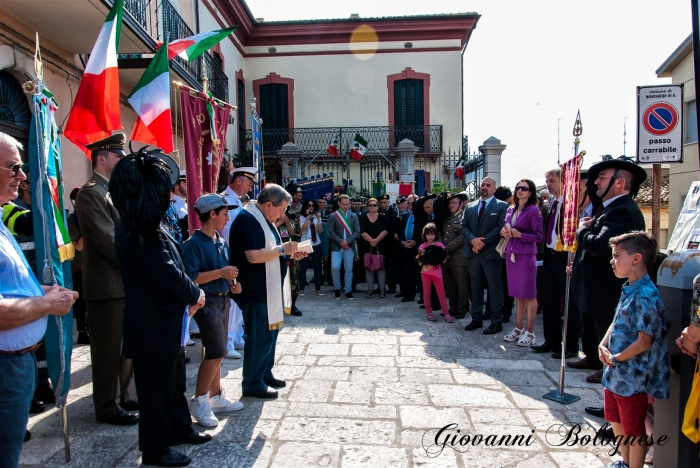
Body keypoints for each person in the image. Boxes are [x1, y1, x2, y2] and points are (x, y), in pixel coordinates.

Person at [111, 149, 210, 467]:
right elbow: (166, 273)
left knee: (174, 382)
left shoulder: (150, 225)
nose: (170, 196)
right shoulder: (138, 230)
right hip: (151, 326)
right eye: (163, 190)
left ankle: (180, 428)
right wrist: (196, 293)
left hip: (166, 323)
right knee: (155, 392)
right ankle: (155, 449)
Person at [0, 132, 77, 467]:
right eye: (14, 167)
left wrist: (44, 292)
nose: (23, 176)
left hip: (17, 363)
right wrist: (46, 304)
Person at [75, 133, 138, 425]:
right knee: (108, 349)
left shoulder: (113, 190)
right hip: (106, 284)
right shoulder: (91, 193)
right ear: (102, 158)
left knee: (126, 346)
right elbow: (106, 239)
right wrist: (139, 260)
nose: (121, 161)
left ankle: (125, 395)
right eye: (117, 156)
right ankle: (107, 405)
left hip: (122, 281)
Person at [571, 156, 646, 384]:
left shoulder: (621, 211)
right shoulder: (610, 208)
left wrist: (582, 230)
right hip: (598, 289)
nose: (596, 183)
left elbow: (602, 246)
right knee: (598, 334)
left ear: (620, 183)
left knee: (610, 341)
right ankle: (601, 371)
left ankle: (613, 391)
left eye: (602, 177)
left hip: (606, 290)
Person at [599, 231, 669, 468]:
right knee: (616, 420)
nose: (612, 260)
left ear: (636, 258)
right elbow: (617, 319)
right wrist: (603, 343)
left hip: (632, 376)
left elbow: (644, 341)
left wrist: (617, 358)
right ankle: (625, 461)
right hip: (616, 373)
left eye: (617, 256)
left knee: (633, 428)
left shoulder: (647, 294)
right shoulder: (629, 287)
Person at [230, 184, 306, 399]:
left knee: (270, 333)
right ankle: (252, 383)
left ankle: (264, 373)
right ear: (269, 204)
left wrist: (289, 254)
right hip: (256, 289)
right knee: (259, 336)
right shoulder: (248, 219)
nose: (283, 214)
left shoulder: (265, 219)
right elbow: (253, 256)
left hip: (269, 288)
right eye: (281, 209)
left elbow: (271, 251)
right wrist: (283, 249)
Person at [183, 194, 245, 428]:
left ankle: (216, 396)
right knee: (216, 352)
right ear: (212, 214)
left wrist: (233, 284)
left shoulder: (219, 240)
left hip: (223, 300)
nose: (227, 217)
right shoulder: (193, 244)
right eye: (225, 213)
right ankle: (199, 401)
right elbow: (191, 277)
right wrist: (221, 274)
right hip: (206, 303)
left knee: (216, 352)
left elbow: (225, 271)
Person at [532, 168, 579, 358]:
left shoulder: (570, 205)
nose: (549, 184)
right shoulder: (553, 204)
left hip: (564, 256)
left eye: (552, 180)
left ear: (563, 182)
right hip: (550, 255)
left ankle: (570, 345)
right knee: (549, 300)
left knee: (568, 302)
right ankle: (551, 340)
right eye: (547, 181)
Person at [461, 177, 508, 334]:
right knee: (475, 287)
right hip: (474, 254)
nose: (485, 187)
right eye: (482, 185)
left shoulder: (502, 206)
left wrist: (482, 242)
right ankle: (476, 318)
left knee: (494, 288)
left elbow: (500, 227)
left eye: (488, 185)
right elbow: (464, 226)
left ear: (494, 189)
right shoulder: (470, 207)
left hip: (491, 254)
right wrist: (473, 240)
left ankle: (496, 320)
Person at [500, 179, 543, 347]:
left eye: (524, 188)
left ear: (530, 192)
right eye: (518, 187)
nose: (520, 190)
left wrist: (520, 235)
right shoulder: (511, 209)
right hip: (512, 254)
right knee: (518, 294)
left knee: (529, 294)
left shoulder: (533, 210)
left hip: (526, 254)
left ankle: (530, 331)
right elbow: (506, 228)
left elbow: (538, 236)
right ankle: (518, 328)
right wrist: (504, 232)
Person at [220, 166, 256, 359]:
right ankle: (227, 342)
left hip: (238, 255)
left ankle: (236, 337)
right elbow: (225, 231)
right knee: (232, 301)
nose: (250, 188)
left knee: (239, 297)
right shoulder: (225, 200)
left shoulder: (237, 201)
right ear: (239, 180)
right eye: (249, 183)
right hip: (230, 254)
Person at [327, 194, 361, 300]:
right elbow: (330, 232)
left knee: (348, 269)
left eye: (347, 204)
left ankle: (348, 290)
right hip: (337, 246)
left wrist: (348, 242)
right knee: (335, 267)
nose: (345, 206)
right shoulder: (333, 216)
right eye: (343, 204)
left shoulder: (353, 216)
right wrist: (340, 242)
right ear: (339, 203)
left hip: (349, 246)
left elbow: (357, 231)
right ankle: (337, 288)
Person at [442, 192, 469, 319]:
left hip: (459, 257)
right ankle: (452, 307)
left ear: (461, 203)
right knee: (450, 284)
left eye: (454, 202)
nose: (451, 205)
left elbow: (462, 237)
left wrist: (445, 249)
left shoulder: (465, 217)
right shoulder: (450, 217)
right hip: (447, 257)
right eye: (450, 203)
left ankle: (462, 308)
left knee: (461, 284)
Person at [417, 223, 451, 322]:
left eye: (432, 234)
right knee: (427, 293)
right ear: (425, 235)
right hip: (426, 273)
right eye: (428, 234)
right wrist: (423, 258)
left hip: (437, 274)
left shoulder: (440, 245)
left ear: (436, 234)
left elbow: (444, 261)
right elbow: (419, 263)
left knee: (441, 294)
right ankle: (429, 313)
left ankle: (446, 313)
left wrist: (440, 257)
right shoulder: (422, 246)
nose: (430, 237)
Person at [67, 187, 88, 345]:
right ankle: (82, 331)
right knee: (81, 301)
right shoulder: (73, 221)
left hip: (91, 265)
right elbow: (78, 246)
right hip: (78, 266)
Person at [359, 198, 390, 298]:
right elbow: (361, 231)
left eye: (374, 205)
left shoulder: (382, 217)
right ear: (367, 207)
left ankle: (382, 289)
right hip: (367, 246)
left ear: (377, 206)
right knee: (368, 268)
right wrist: (371, 241)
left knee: (380, 268)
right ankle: (370, 289)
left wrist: (376, 240)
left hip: (380, 246)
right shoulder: (363, 218)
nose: (372, 207)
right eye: (370, 205)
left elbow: (386, 230)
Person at [395, 195, 419, 302]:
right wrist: (402, 242)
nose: (410, 205)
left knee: (418, 273)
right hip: (405, 247)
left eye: (412, 203)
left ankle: (423, 296)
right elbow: (400, 231)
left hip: (417, 248)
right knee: (407, 271)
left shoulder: (421, 216)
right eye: (409, 203)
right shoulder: (406, 216)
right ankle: (409, 294)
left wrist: (415, 242)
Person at [298, 199, 324, 296]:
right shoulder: (302, 217)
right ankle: (301, 288)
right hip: (305, 243)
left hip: (316, 243)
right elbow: (303, 229)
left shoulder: (317, 216)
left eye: (313, 205)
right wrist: (308, 218)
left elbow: (320, 231)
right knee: (303, 266)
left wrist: (318, 219)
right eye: (309, 206)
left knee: (317, 266)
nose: (311, 207)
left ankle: (318, 288)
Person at [377, 194, 399, 294]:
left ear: (389, 203)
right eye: (381, 203)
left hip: (390, 243)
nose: (383, 204)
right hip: (380, 243)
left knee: (391, 265)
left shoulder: (393, 213)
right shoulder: (377, 213)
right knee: (379, 265)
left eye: (385, 202)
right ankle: (380, 286)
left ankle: (391, 285)